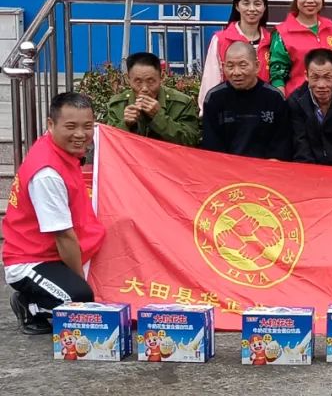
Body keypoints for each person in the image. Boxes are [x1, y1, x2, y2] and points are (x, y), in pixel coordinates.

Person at [4, 92, 104, 335]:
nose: (80, 134)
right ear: (51, 124)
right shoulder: (47, 174)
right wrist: (80, 282)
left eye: (87, 126)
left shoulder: (58, 148)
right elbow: (63, 236)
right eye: (71, 127)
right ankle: (31, 305)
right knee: (80, 299)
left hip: (56, 249)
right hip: (31, 259)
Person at [203, 42, 292, 160]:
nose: (236, 72)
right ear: (223, 67)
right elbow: (211, 146)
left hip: (266, 167)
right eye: (230, 66)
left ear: (257, 66)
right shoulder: (214, 98)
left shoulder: (274, 98)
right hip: (226, 166)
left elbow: (282, 144)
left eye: (243, 65)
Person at [198, 0, 274, 111]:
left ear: (264, 7)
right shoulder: (221, 40)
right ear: (237, 6)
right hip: (228, 111)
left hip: (263, 111)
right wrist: (206, 111)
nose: (252, 9)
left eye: (257, 4)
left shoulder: (272, 41)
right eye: (246, 3)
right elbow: (211, 80)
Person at [105, 51, 201, 146]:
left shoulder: (181, 103)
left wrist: (159, 117)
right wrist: (125, 124)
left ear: (162, 77)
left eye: (150, 81)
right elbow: (108, 143)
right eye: (138, 81)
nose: (144, 88)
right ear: (128, 79)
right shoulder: (117, 104)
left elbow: (191, 141)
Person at [269, 0, 332, 97]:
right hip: (298, 101)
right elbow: (277, 75)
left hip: (331, 100)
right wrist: (282, 102)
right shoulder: (282, 33)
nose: (310, 0)